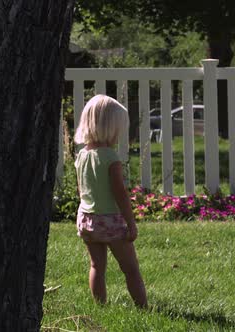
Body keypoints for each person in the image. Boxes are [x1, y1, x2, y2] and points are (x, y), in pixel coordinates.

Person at [74, 94, 148, 308]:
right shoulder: (110, 158)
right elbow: (120, 193)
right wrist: (131, 223)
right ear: (110, 127)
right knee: (131, 269)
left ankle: (100, 307)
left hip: (87, 218)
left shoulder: (82, 155)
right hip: (110, 221)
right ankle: (143, 308)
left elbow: (82, 190)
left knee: (97, 266)